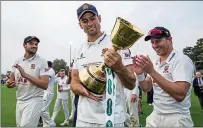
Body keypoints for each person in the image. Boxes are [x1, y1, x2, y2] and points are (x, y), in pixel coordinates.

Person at [70, 3, 136, 127]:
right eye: (85, 21)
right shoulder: (79, 50)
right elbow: (74, 81)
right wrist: (84, 90)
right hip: (84, 119)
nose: (89, 23)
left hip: (112, 118)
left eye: (92, 18)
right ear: (80, 25)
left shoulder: (118, 43)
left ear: (99, 18)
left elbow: (131, 84)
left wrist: (119, 67)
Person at [132, 26, 194, 127]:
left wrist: (151, 71)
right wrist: (139, 75)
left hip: (176, 117)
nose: (155, 45)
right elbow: (146, 87)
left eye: (158, 41)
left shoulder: (181, 60)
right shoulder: (156, 62)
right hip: (156, 115)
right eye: (152, 42)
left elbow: (180, 95)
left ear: (169, 40)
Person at [5, 36, 49, 127]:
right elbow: (11, 79)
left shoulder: (42, 61)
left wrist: (26, 75)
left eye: (36, 44)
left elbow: (45, 84)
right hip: (20, 100)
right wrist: (8, 83)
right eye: (31, 43)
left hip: (34, 100)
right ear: (24, 45)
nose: (34, 46)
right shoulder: (18, 60)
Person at [41, 61, 56, 127]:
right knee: (45, 111)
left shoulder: (51, 71)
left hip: (48, 93)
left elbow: (46, 81)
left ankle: (52, 124)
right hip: (46, 92)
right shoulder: (48, 71)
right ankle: (46, 125)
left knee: (42, 110)